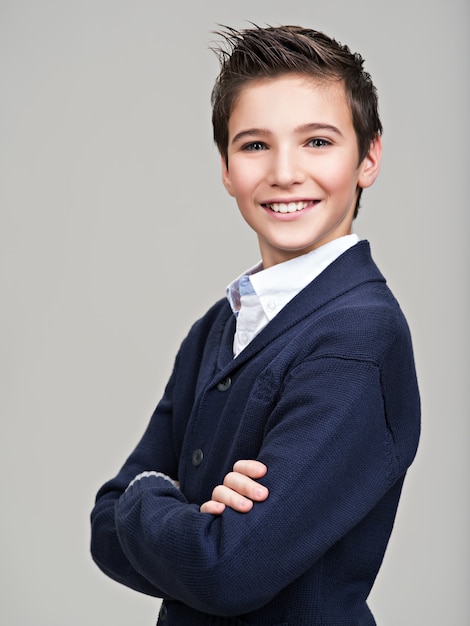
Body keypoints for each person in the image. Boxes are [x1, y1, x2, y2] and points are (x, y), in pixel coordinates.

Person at [90, 24, 420, 625]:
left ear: (368, 156)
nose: (285, 173)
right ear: (226, 167)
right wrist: (178, 515)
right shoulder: (215, 328)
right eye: (254, 145)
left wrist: (144, 496)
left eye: (318, 142)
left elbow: (225, 571)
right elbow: (102, 531)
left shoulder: (356, 341)